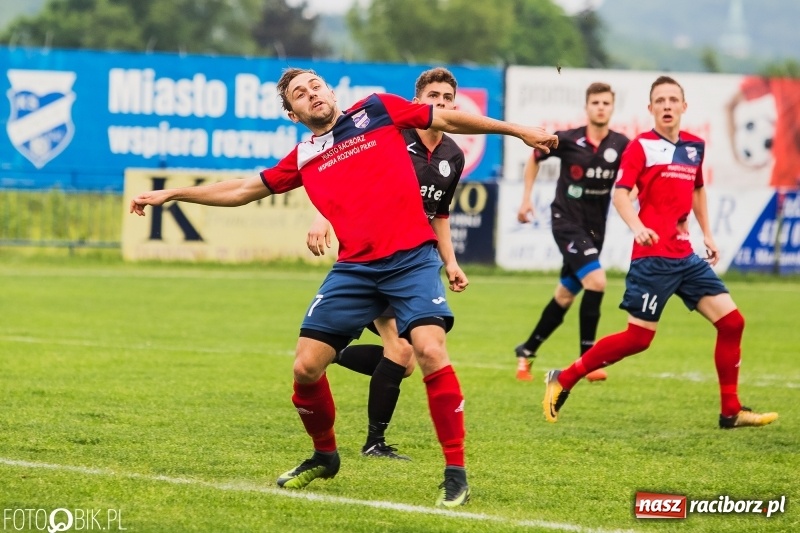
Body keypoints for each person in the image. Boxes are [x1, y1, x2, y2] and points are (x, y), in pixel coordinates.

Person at [130, 67, 558, 507]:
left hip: (412, 258)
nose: (311, 93)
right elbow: (242, 188)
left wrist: (517, 130)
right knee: (305, 367)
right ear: (293, 114)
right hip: (355, 268)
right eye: (300, 94)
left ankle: (455, 472)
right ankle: (324, 455)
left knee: (428, 351)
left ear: (331, 91)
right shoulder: (304, 155)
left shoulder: (377, 109)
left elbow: (446, 120)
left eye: (316, 85)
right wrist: (173, 193)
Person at [541, 75, 778, 430]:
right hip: (652, 259)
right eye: (660, 101)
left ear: (684, 107)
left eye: (673, 100)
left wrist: (708, 234)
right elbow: (621, 194)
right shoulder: (640, 147)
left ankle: (731, 411)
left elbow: (697, 190)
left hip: (684, 256)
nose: (667, 106)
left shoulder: (695, 147)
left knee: (732, 322)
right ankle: (564, 377)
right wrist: (638, 227)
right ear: (650, 109)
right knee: (638, 339)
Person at [305, 67, 468, 462]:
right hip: (373, 257)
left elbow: (439, 214)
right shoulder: (393, 133)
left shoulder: (453, 155)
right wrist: (322, 216)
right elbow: (345, 175)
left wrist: (451, 262)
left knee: (405, 361)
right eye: (433, 97)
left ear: (455, 105)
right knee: (400, 351)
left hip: (413, 258)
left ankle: (333, 351)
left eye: (446, 98)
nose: (440, 104)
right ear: (418, 102)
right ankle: (373, 441)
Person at [514, 82, 630, 382]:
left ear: (612, 107)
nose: (601, 107)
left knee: (565, 295)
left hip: (596, 230)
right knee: (597, 281)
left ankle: (526, 351)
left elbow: (635, 177)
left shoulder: (622, 144)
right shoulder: (568, 139)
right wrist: (526, 198)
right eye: (596, 102)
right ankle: (588, 360)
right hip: (566, 222)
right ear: (587, 107)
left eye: (606, 102)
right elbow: (535, 157)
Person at [726, 76, 800, 190]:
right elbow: (729, 105)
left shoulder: (779, 69)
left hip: (786, 175)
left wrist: (737, 156)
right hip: (786, 175)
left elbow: (730, 105)